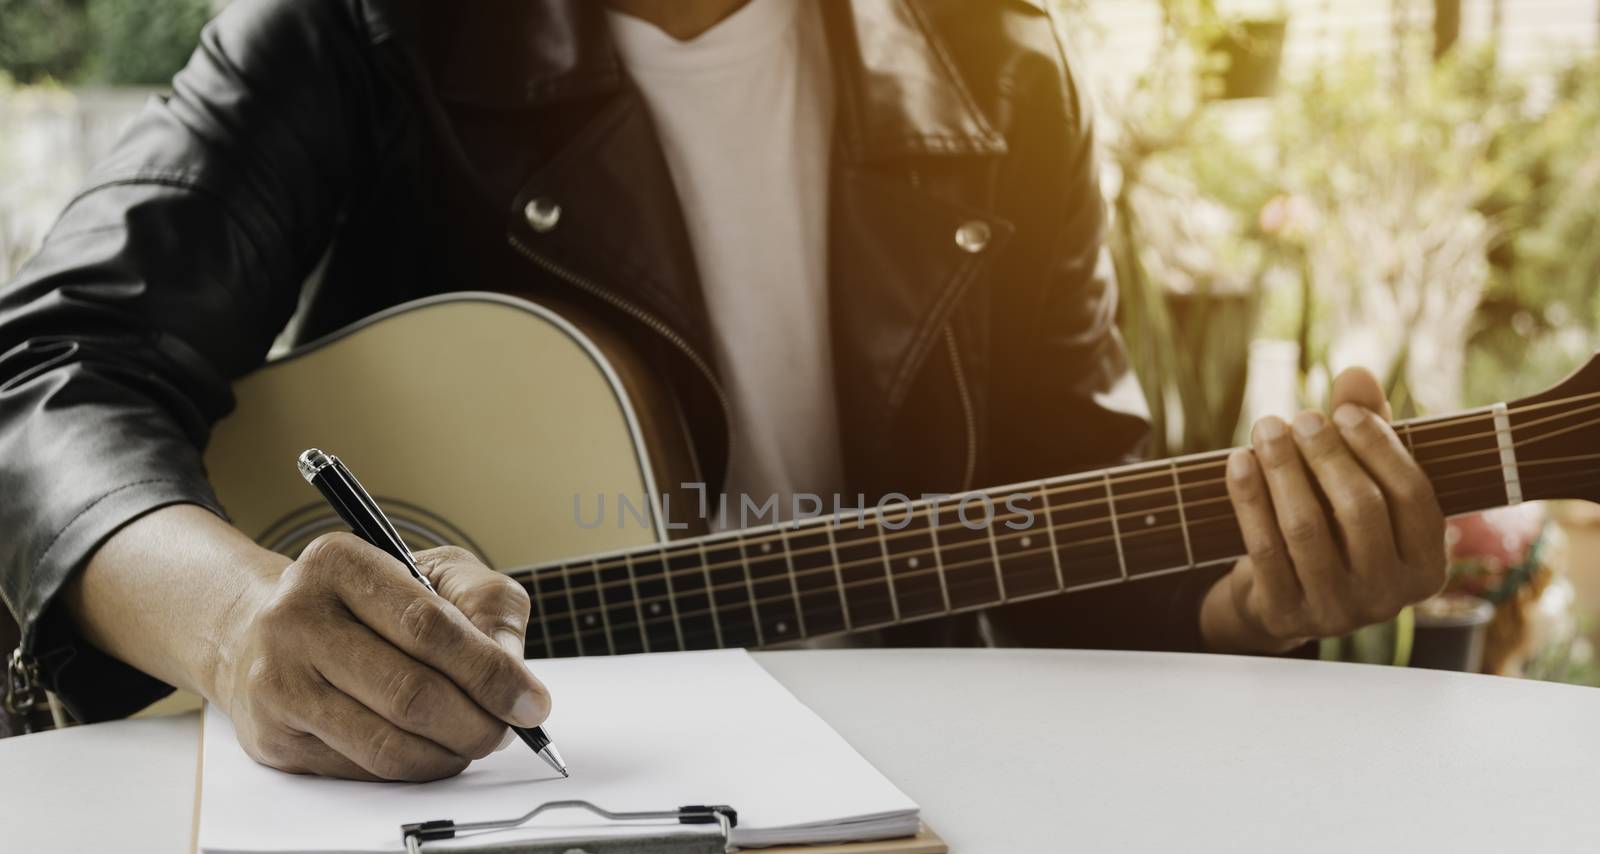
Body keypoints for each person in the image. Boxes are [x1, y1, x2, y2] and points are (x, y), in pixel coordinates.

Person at [0, 0, 1446, 775]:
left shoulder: (998, 65)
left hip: (908, 815)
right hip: (494, 831)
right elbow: (47, 373)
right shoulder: (361, 29)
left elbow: (1062, 536)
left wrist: (1249, 604)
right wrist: (242, 621)